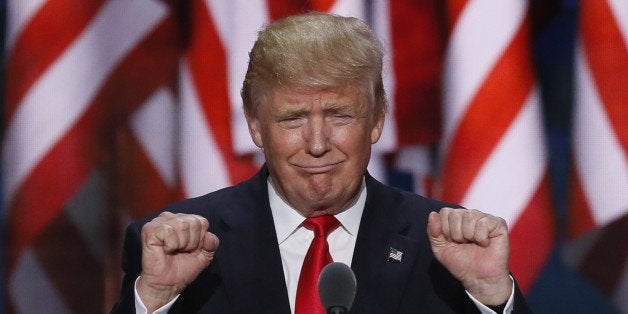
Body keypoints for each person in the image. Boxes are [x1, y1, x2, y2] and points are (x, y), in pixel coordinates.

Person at [111, 12, 531, 314]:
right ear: (255, 125)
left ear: (377, 119)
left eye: (339, 115)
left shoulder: (444, 249)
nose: (317, 145)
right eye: (293, 118)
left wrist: (492, 297)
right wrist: (155, 301)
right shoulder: (184, 245)